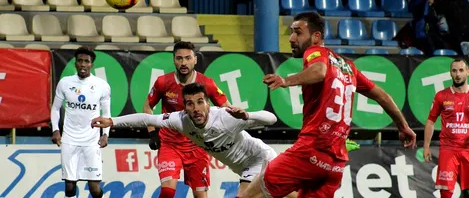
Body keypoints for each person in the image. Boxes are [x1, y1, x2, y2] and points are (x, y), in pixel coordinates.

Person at [240, 12, 417, 198]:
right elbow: (383, 96)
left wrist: (286, 80)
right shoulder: (349, 67)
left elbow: (320, 71)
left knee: (252, 194)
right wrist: (403, 127)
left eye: (298, 33)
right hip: (335, 164)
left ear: (316, 36)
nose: (292, 38)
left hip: (311, 150)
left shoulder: (315, 52)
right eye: (291, 32)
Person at [93, 82, 297, 198]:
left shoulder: (227, 117)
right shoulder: (180, 120)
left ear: (207, 103)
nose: (196, 108)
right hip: (244, 170)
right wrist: (112, 120)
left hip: (263, 160)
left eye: (200, 102)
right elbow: (146, 118)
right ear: (185, 106)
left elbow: (271, 118)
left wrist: (247, 115)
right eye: (190, 104)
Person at [143, 41, 230, 198]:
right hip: (170, 144)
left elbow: (226, 109)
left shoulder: (207, 83)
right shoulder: (163, 82)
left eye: (188, 58)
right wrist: (152, 133)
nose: (184, 63)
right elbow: (147, 107)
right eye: (179, 58)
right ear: (174, 60)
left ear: (195, 59)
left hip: (197, 145)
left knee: (200, 195)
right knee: (167, 192)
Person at [423, 58, 469, 198]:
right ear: (450, 73)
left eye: (461, 70)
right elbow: (430, 121)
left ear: (467, 72)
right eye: (454, 71)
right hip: (448, 149)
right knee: (446, 191)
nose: (457, 74)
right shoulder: (441, 96)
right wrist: (426, 146)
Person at [50, 46, 111, 198]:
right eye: (80, 61)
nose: (83, 64)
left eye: (86, 61)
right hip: (70, 139)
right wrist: (55, 130)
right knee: (70, 186)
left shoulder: (102, 86)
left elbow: (107, 114)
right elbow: (55, 109)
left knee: (94, 189)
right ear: (75, 63)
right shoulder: (65, 83)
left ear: (92, 64)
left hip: (92, 141)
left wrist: (105, 135)